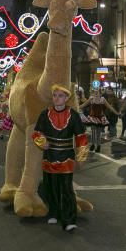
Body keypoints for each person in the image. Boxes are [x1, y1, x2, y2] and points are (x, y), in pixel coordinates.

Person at [32, 84, 89, 232]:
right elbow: (37, 132)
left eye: (60, 96)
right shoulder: (45, 114)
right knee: (50, 187)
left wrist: (81, 157)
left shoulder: (74, 115)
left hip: (66, 157)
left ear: (66, 98)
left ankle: (69, 220)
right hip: (49, 156)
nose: (57, 98)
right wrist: (41, 142)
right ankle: (53, 213)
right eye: (55, 95)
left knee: (67, 189)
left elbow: (81, 137)